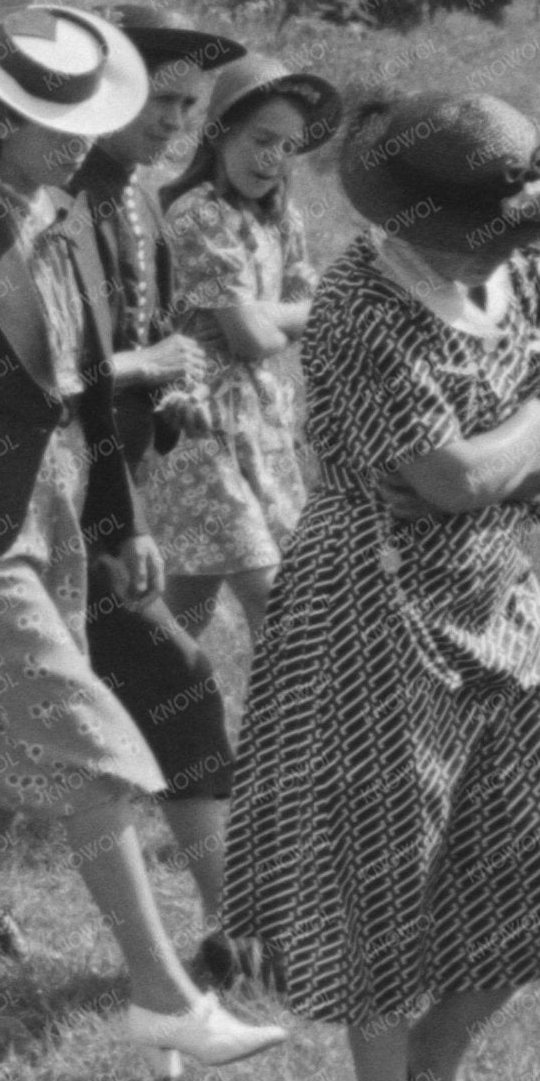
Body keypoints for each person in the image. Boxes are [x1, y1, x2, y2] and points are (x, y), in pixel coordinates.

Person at [0, 6, 286, 1070]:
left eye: (83, 113)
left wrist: (118, 525)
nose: (76, 134)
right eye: (47, 116)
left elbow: (83, 397)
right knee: (98, 752)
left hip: (59, 522)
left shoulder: (64, 223)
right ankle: (163, 993)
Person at [224, 93, 540, 1081]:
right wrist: (521, 443)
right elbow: (450, 478)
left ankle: (433, 1071)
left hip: (497, 589)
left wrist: (509, 452)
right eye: (495, 229)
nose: (520, 245)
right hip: (372, 602)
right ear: (427, 224)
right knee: (380, 865)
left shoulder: (520, 269)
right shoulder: (360, 303)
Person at [0, 5, 247, 981]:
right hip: (42, 505)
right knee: (178, 684)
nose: (171, 124)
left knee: (33, 709)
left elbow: (131, 347)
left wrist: (169, 390)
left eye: (189, 108)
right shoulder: (43, 210)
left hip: (105, 490)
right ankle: (235, 930)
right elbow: (46, 370)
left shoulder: (136, 201)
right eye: (156, 100)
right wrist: (137, 373)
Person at [143, 54, 340, 715]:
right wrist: (275, 319)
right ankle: (286, 757)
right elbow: (254, 335)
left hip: (261, 421)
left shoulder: (282, 219)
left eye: (288, 147)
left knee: (182, 610)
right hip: (199, 420)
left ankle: (110, 732)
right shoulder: (198, 213)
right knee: (271, 591)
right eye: (259, 139)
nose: (273, 160)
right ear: (220, 134)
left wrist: (271, 317)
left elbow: (310, 312)